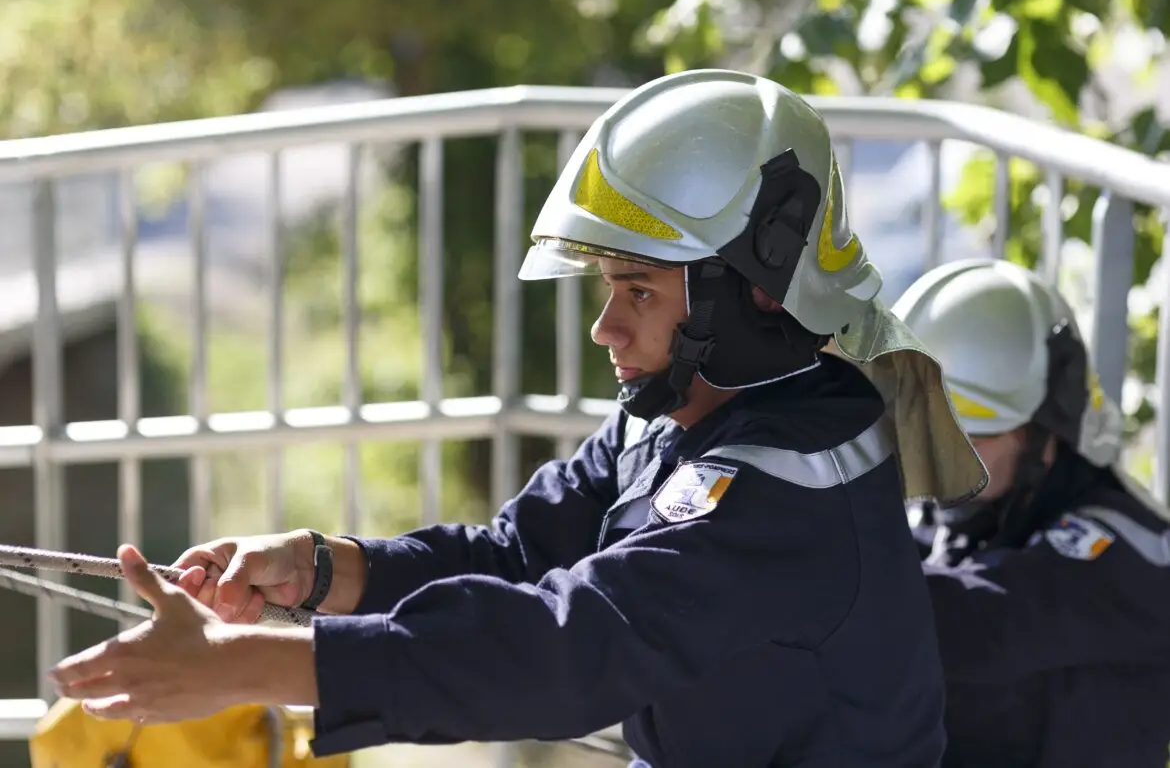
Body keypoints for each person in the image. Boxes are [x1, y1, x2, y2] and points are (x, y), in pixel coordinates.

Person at [47, 69, 986, 767]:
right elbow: (515, 553)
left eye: (638, 291)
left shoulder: (788, 484)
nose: (604, 325)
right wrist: (323, 569)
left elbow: (568, 648)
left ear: (756, 291)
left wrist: (247, 665)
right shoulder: (686, 412)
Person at [893, 257, 1170, 768]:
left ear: (1044, 431)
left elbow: (978, 620)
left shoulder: (1126, 551)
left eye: (968, 436)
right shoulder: (967, 508)